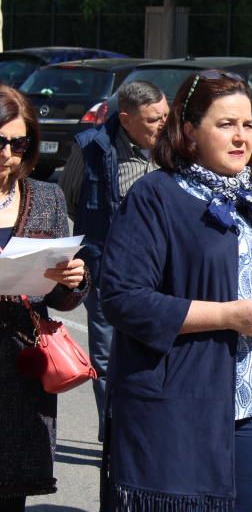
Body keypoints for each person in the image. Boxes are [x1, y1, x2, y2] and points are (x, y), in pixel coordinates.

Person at [98, 71, 252, 512]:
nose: (242, 136)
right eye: (226, 124)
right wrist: (227, 316)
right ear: (190, 130)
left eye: (248, 124)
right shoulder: (156, 195)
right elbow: (124, 298)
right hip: (181, 409)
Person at [0, 85, 89, 512]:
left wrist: (73, 280)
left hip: (19, 369)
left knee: (9, 498)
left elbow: (63, 296)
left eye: (19, 143)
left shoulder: (47, 199)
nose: (9, 154)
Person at [58, 80, 169, 443]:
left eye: (166, 116)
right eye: (154, 119)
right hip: (104, 269)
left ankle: (148, 432)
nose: (163, 125)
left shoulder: (172, 150)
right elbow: (71, 203)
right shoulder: (90, 149)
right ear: (126, 119)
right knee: (105, 360)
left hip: (160, 275)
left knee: (156, 351)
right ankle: (115, 439)